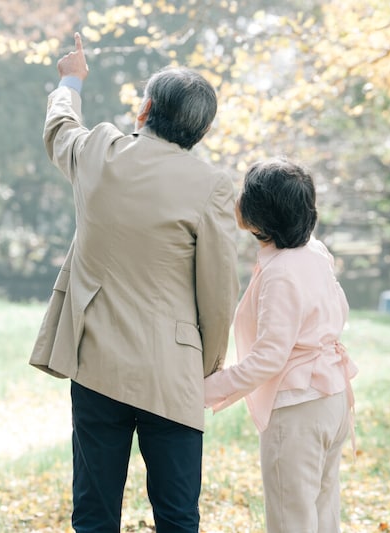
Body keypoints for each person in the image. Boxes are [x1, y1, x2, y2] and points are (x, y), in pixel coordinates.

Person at [29, 33, 239, 532]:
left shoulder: (99, 151)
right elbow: (217, 292)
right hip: (172, 371)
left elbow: (60, 127)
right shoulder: (210, 186)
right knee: (177, 516)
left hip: (96, 360)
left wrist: (71, 79)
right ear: (202, 130)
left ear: (144, 110)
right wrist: (206, 366)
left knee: (95, 516)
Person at [204, 157, 358, 533]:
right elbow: (340, 308)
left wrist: (203, 390)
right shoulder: (316, 254)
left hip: (298, 409)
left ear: (261, 216)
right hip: (331, 398)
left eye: (244, 194)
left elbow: (268, 359)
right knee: (322, 515)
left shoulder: (280, 273)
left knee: (291, 521)